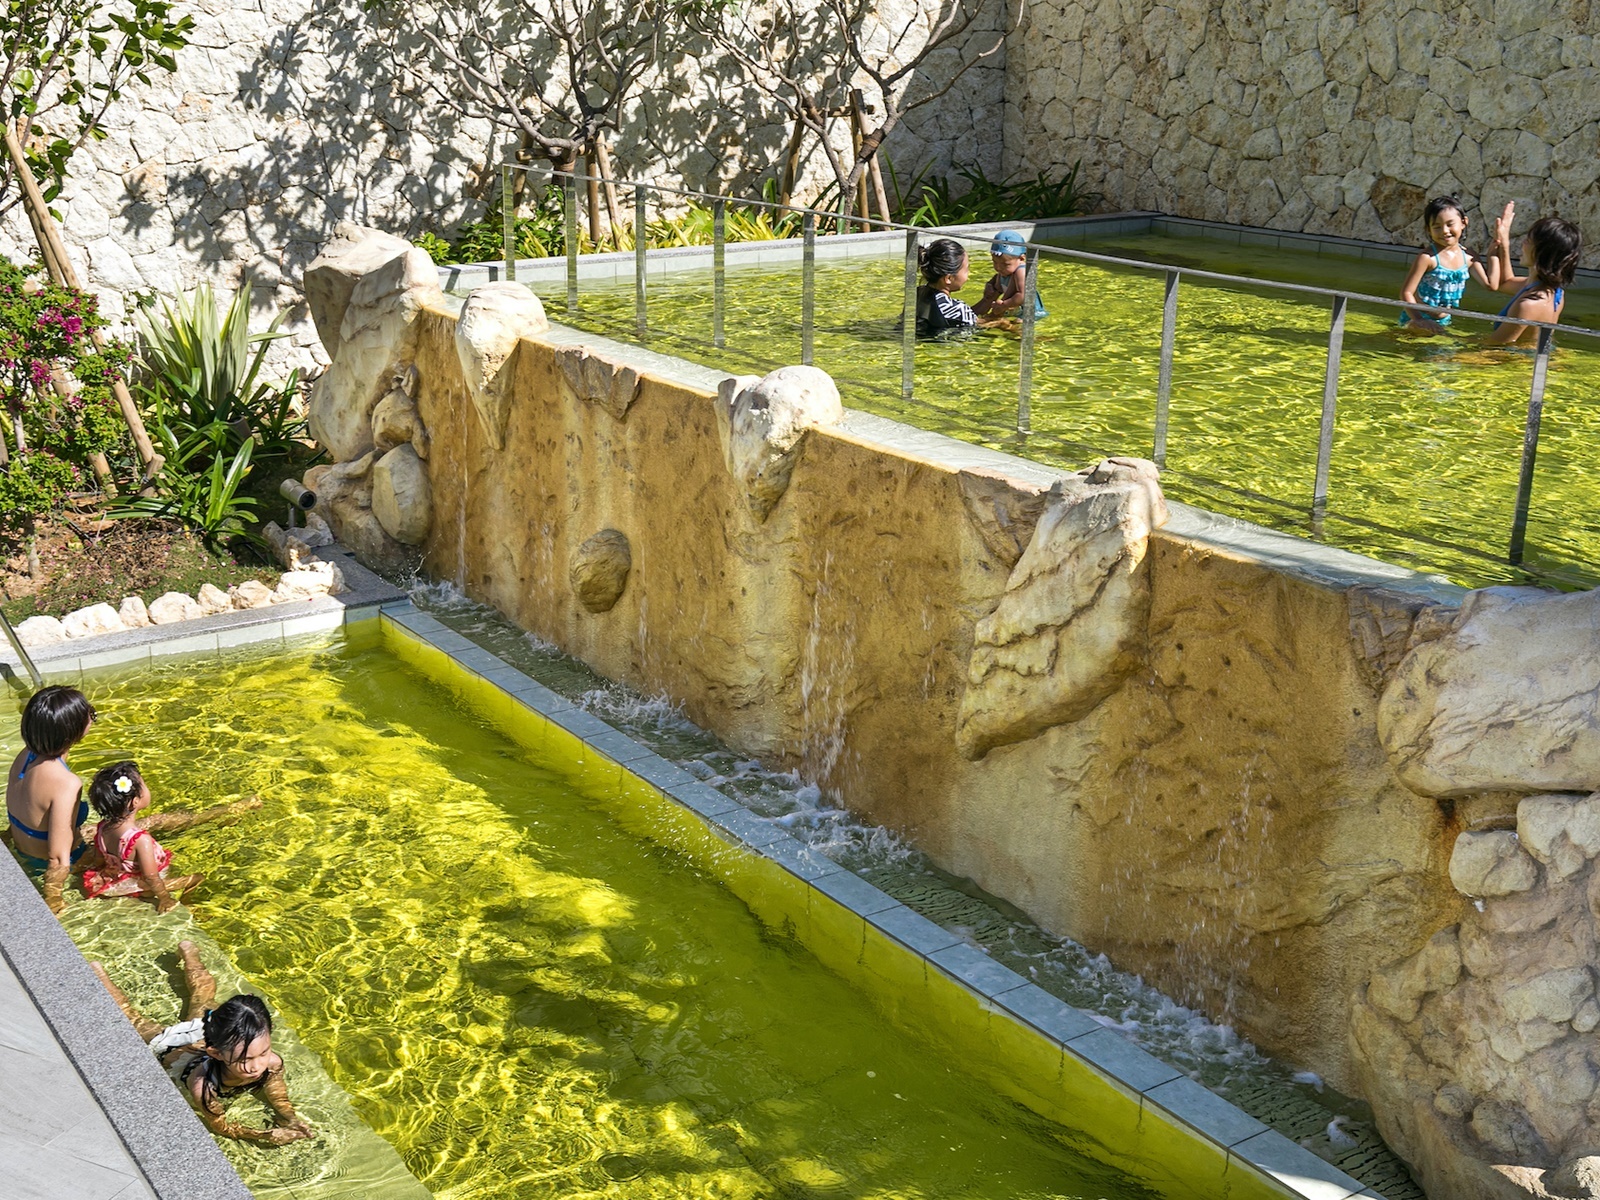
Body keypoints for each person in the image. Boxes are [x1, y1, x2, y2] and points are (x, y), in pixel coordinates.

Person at [91, 941, 314, 1145]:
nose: (257, 1066)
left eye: (263, 1052)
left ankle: (190, 953)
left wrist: (290, 1117)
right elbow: (221, 1127)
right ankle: (97, 974)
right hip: (175, 1047)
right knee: (132, 1019)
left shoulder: (270, 1062)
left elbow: (275, 1088)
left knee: (204, 996)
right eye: (245, 1060)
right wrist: (262, 1134)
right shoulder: (203, 1085)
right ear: (216, 1054)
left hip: (217, 1035)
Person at [79, 761, 259, 912]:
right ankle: (189, 905)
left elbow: (99, 858)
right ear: (135, 801)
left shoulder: (103, 828)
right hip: (139, 885)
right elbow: (152, 877)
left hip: (116, 878)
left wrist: (100, 873)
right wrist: (164, 898)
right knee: (197, 878)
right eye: (144, 785)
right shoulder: (141, 840)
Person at [6, 685, 96, 912]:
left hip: (23, 850)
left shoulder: (25, 755)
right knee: (131, 835)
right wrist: (54, 900)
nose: (92, 717)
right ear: (73, 730)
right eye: (91, 714)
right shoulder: (66, 783)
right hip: (55, 863)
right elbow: (58, 859)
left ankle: (198, 818)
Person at [1487, 202, 1581, 347]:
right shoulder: (1553, 292)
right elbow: (1505, 283)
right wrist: (1504, 242)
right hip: (1529, 361)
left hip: (1519, 365)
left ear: (1541, 253)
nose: (1523, 243)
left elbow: (1494, 347)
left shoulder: (1529, 305)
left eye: (1528, 241)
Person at [1398, 196, 1498, 333]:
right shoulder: (1428, 258)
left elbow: (1491, 285)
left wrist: (1493, 254)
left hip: (1444, 320)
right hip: (1418, 318)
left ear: (1463, 222)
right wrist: (1419, 320)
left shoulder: (1469, 257)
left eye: (1450, 224)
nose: (1444, 231)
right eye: (1437, 227)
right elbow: (1406, 292)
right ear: (1429, 229)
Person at [914, 238, 1018, 338]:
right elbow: (979, 324)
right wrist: (999, 319)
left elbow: (963, 316)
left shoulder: (918, 294)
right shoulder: (958, 308)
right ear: (949, 278)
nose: (969, 273)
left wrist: (988, 299)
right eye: (966, 269)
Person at [974, 229, 1047, 321]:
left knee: (1016, 324)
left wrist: (1004, 305)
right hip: (1016, 310)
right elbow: (997, 288)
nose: (998, 267)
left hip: (1032, 312)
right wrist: (989, 287)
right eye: (995, 262)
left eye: (1005, 264)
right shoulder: (1004, 272)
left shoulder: (1021, 271)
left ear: (1021, 258)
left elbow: (1023, 295)